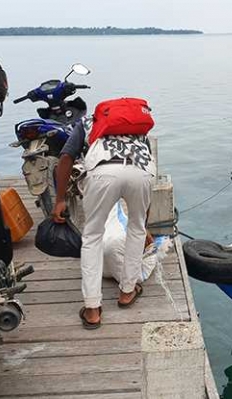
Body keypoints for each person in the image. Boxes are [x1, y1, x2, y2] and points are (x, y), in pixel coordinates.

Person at [52, 114, 155, 329]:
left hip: (102, 173)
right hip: (141, 173)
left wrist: (60, 199)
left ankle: (92, 310)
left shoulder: (87, 122)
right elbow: (147, 169)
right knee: (136, 229)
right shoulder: (138, 125)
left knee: (92, 236)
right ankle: (127, 292)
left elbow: (65, 158)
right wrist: (144, 223)